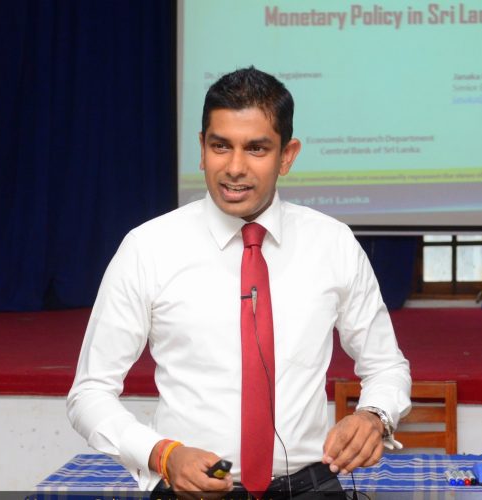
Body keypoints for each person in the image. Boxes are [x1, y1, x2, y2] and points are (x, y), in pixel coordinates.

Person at [67, 66, 411, 497]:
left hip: (309, 487)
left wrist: (374, 416)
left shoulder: (333, 243)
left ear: (287, 156)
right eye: (220, 146)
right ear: (202, 149)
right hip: (192, 489)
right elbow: (89, 393)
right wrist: (162, 454)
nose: (234, 167)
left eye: (256, 149)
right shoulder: (147, 248)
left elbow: (386, 366)